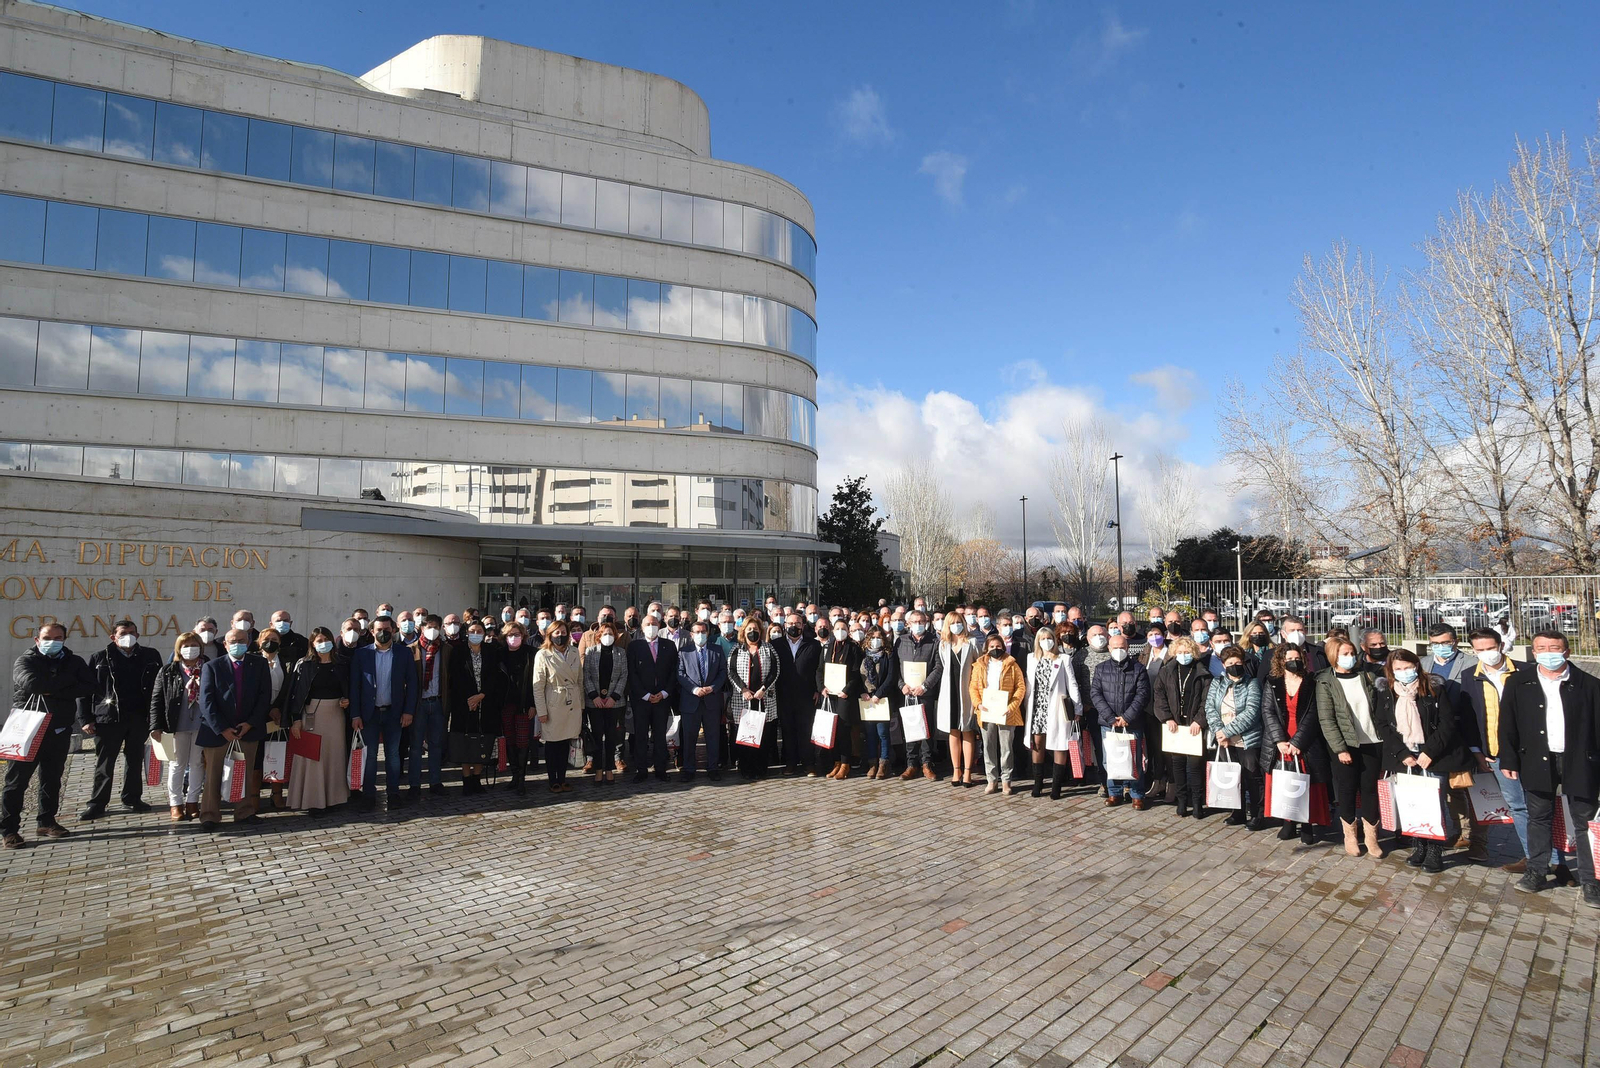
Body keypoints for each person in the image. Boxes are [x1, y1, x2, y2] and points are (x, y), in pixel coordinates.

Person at [1499, 631, 1599, 907]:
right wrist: (1508, 759)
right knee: (1538, 816)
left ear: (1566, 651)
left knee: (1584, 821)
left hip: (1579, 760)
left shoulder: (1589, 684)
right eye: (1541, 648)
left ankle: (1592, 881)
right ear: (1533, 652)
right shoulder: (1519, 682)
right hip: (1536, 759)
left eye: (1554, 648)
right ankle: (1537, 871)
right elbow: (1507, 723)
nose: (1548, 653)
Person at [1374, 648, 1471, 874]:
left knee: (1432, 805)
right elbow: (1383, 725)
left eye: (1407, 667)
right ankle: (1419, 846)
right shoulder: (1386, 690)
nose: (1404, 672)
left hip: (1432, 757)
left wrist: (1429, 752)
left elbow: (1447, 723)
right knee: (1412, 804)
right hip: (1405, 758)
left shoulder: (1433, 687)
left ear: (1416, 665)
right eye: (1398, 669)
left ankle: (1435, 849)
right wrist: (1402, 753)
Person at [1459, 628, 1547, 874]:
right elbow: (1470, 717)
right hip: (1496, 755)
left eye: (1491, 648)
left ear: (1501, 645)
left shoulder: (1526, 671)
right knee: (1518, 805)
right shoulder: (1470, 675)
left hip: (1531, 753)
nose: (1487, 654)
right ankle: (1533, 857)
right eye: (1481, 650)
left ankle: (1552, 857)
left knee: (1541, 805)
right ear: (1473, 651)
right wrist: (1478, 752)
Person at [3, 623, 94, 848]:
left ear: (64, 639)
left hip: (59, 729)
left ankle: (46, 821)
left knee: (52, 779)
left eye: (58, 637)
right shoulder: (25, 660)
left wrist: (52, 688)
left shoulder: (73, 661)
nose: (52, 641)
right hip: (28, 730)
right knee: (16, 783)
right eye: (47, 637)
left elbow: (90, 685)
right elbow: (33, 684)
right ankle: (9, 830)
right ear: (37, 639)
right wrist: (67, 684)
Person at [78, 619, 163, 820]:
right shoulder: (100, 658)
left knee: (134, 760)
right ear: (113, 637)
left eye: (132, 632)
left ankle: (132, 798)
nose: (128, 636)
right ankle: (97, 803)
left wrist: (158, 719)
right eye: (123, 633)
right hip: (109, 719)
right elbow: (85, 692)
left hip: (139, 717)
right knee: (105, 763)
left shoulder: (150, 656)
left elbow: (160, 688)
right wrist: (86, 719)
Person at [196, 628, 271, 831]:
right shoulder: (212, 666)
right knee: (212, 774)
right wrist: (222, 728)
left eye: (242, 640)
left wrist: (250, 723)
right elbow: (206, 701)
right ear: (226, 644)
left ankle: (244, 811)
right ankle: (210, 815)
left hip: (248, 730)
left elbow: (264, 697)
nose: (237, 643)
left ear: (248, 642)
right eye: (233, 641)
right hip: (218, 731)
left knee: (245, 772)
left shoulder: (260, 664)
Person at [1318, 637, 1386, 859]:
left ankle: (1371, 837)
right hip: (1345, 744)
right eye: (1343, 654)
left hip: (1372, 741)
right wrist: (1340, 748)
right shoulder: (1325, 681)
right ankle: (1350, 836)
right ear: (1332, 656)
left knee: (1369, 790)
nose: (1349, 658)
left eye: (1351, 653)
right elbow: (1326, 719)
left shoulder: (1366, 676)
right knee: (1347, 790)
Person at [1261, 642, 1331, 844]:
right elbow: (1268, 711)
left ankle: (1307, 824)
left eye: (1296, 658)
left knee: (1306, 783)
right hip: (1280, 742)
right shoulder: (1272, 681)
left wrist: (1298, 741)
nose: (1293, 662)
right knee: (1285, 782)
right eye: (1289, 659)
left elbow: (1314, 713)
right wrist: (1279, 740)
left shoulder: (1312, 681)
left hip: (1305, 741)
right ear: (1281, 661)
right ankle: (1288, 823)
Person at [349, 617, 418, 810]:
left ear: (394, 630)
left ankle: (393, 793)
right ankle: (369, 795)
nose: (383, 632)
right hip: (369, 714)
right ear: (372, 631)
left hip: (394, 713)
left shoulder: (404, 653)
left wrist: (408, 711)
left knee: (393, 755)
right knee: (370, 756)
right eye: (379, 629)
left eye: (387, 629)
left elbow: (412, 684)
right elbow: (354, 686)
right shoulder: (361, 654)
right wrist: (355, 714)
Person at [285, 627, 350, 815]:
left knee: (334, 756)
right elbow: (296, 694)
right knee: (312, 758)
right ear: (312, 643)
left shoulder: (342, 663)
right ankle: (313, 800)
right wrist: (296, 719)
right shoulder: (304, 664)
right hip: (311, 714)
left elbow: (348, 688)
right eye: (319, 640)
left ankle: (335, 798)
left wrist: (347, 700)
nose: (323, 643)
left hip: (336, 715)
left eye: (326, 639)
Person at [148, 631, 210, 821]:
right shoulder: (168, 670)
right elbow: (156, 699)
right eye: (186, 646)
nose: (190, 649)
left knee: (197, 763)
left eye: (194, 645)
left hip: (201, 724)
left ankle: (192, 802)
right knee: (177, 764)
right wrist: (155, 725)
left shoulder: (209, 668)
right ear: (178, 649)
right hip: (176, 725)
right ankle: (175, 803)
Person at [1207, 644, 1266, 829]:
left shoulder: (1252, 683)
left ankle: (1257, 814)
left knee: (1252, 777)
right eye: (1230, 662)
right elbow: (1210, 708)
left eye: (1238, 662)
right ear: (1223, 665)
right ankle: (1237, 812)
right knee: (1233, 776)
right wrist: (1219, 731)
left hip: (1246, 739)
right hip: (1224, 740)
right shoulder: (1217, 682)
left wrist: (1226, 732)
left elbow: (1251, 713)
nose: (1234, 665)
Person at [1092, 632, 1152, 808]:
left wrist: (1127, 717)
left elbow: (1143, 694)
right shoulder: (1101, 668)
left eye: (1122, 648)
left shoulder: (1138, 669)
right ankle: (1114, 792)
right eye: (1115, 648)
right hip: (1108, 724)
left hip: (1132, 723)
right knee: (1110, 759)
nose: (1119, 651)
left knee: (1134, 759)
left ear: (1128, 648)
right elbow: (1095, 694)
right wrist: (1111, 718)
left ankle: (1136, 794)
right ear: (1109, 649)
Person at [1153, 636, 1210, 818]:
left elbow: (1206, 701)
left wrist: (1199, 721)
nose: (1183, 655)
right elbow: (1159, 696)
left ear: (1193, 652)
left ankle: (1197, 802)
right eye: (1180, 652)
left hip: (1193, 726)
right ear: (1174, 653)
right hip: (1175, 726)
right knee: (1177, 765)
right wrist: (1167, 718)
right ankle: (1182, 801)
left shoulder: (1202, 672)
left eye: (1186, 652)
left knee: (1194, 766)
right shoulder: (1167, 671)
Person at [1025, 623, 1081, 799]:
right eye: (1043, 639)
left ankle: (1056, 785)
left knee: (1059, 744)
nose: (1046, 642)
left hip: (1058, 708)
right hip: (1038, 708)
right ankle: (1038, 783)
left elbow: (1072, 684)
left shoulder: (1063, 659)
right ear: (1038, 642)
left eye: (1049, 638)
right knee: (1038, 744)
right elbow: (1028, 685)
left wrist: (1077, 707)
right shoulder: (1031, 659)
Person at [446, 619, 500, 795]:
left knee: (481, 741)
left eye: (479, 631)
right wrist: (470, 699)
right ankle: (466, 780)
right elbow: (456, 677)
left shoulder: (491, 651)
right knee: (465, 741)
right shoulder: (459, 652)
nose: (476, 634)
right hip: (464, 704)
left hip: (486, 702)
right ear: (466, 633)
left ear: (484, 634)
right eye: (472, 631)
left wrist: (481, 695)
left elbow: (495, 676)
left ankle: (477, 778)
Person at [969, 630, 1026, 795]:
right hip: (986, 711)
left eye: (998, 646)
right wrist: (978, 704)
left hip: (1006, 712)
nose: (995, 648)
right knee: (988, 746)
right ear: (986, 648)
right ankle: (992, 780)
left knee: (1007, 748)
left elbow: (1020, 687)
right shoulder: (979, 665)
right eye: (992, 646)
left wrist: (1012, 706)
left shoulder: (1012, 664)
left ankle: (1006, 780)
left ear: (1003, 647)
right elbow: (973, 687)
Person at [627, 614, 679, 783]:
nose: (651, 626)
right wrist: (646, 695)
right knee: (641, 735)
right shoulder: (634, 646)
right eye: (648, 624)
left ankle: (660, 769)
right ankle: (641, 770)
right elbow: (632, 673)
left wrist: (664, 693)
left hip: (662, 699)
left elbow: (674, 672)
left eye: (654, 623)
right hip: (641, 699)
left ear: (660, 625)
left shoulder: (669, 646)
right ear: (642, 627)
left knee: (660, 736)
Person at [532, 622, 583, 793]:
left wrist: (581, 705)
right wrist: (542, 711)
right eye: (556, 632)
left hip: (572, 702)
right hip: (553, 703)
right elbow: (538, 686)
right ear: (550, 635)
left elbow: (580, 680)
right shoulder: (543, 654)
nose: (559, 636)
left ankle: (563, 777)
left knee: (566, 743)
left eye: (563, 632)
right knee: (552, 743)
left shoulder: (574, 652)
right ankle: (552, 779)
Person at [407, 615, 451, 799]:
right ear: (422, 628)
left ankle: (435, 781)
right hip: (419, 704)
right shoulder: (411, 650)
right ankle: (414, 784)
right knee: (416, 746)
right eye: (429, 626)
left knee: (436, 745)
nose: (432, 630)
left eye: (436, 627)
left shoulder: (446, 650)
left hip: (438, 702)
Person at [677, 619, 727, 782]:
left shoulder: (717, 650)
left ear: (708, 633)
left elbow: (722, 672)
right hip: (691, 701)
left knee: (713, 737)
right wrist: (694, 689)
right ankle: (689, 769)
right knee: (689, 737)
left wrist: (712, 687)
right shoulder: (684, 652)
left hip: (711, 700)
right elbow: (680, 674)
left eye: (703, 632)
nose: (700, 635)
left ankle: (712, 768)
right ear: (691, 635)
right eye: (697, 632)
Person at [773, 612, 822, 777]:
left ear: (803, 625)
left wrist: (817, 689)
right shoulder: (776, 645)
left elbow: (818, 670)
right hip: (784, 695)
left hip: (807, 695)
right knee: (787, 731)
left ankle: (809, 764)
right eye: (790, 623)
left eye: (798, 623)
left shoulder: (814, 645)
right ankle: (790, 763)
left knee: (806, 730)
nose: (794, 626)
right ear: (785, 625)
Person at [729, 620, 781, 777]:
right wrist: (743, 689)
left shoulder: (768, 648)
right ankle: (746, 768)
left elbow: (775, 670)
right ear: (744, 632)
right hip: (744, 699)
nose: (753, 632)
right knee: (745, 735)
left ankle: (761, 768)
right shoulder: (737, 649)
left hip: (763, 698)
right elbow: (731, 671)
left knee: (763, 734)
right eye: (749, 629)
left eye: (756, 629)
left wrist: (764, 688)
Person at [930, 613, 977, 786]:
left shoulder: (971, 642)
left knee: (967, 730)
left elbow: (978, 665)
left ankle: (967, 772)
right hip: (949, 692)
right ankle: (956, 770)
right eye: (953, 623)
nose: (956, 625)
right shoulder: (943, 644)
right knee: (953, 731)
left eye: (959, 622)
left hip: (966, 692)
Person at [583, 619, 630, 786]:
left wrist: (614, 697)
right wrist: (594, 696)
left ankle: (609, 769)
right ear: (598, 636)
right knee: (596, 737)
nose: (607, 636)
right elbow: (586, 675)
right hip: (594, 702)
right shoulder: (590, 652)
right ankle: (597, 769)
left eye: (610, 634)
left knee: (612, 737)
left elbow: (624, 675)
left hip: (614, 703)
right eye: (604, 634)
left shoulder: (620, 653)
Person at [815, 619, 864, 779]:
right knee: (833, 729)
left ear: (848, 631)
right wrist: (822, 687)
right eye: (837, 628)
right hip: (830, 695)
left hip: (844, 696)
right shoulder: (827, 647)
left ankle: (845, 763)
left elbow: (856, 673)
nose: (840, 631)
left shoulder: (854, 648)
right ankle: (836, 762)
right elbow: (820, 670)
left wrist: (847, 690)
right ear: (832, 630)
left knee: (843, 730)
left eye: (843, 628)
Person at [255, 625, 294, 811]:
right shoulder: (252, 661)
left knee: (277, 755)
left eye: (275, 640)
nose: (270, 644)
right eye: (266, 640)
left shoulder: (287, 661)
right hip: (257, 717)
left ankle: (277, 795)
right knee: (256, 757)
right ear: (259, 642)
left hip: (278, 717)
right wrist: (268, 708)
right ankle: (253, 796)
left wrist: (277, 708)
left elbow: (288, 689)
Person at [496, 621, 537, 795]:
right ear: (504, 637)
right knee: (510, 740)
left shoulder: (532, 654)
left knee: (522, 741)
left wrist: (534, 704)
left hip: (524, 704)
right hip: (505, 704)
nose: (514, 638)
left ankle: (521, 779)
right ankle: (514, 775)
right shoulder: (499, 654)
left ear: (523, 636)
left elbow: (537, 682)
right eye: (510, 635)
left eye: (517, 634)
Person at [858, 624, 899, 780]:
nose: (876, 641)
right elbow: (858, 676)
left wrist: (879, 693)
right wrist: (863, 692)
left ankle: (884, 764)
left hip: (882, 699)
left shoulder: (889, 655)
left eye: (879, 638)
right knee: (870, 734)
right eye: (873, 638)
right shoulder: (863, 654)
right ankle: (872, 764)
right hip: (866, 699)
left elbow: (891, 677)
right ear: (868, 639)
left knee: (883, 733)